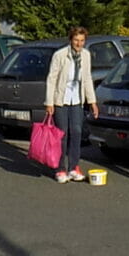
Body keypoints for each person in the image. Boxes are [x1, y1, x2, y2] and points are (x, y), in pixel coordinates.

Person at [44, 26, 99, 183]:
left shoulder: (86, 55)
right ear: (70, 40)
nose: (79, 43)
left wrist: (92, 102)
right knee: (62, 134)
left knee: (76, 132)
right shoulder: (60, 55)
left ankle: (74, 167)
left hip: (77, 99)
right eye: (76, 40)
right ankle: (60, 169)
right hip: (60, 99)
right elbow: (51, 79)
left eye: (82, 41)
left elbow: (87, 79)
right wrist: (49, 102)